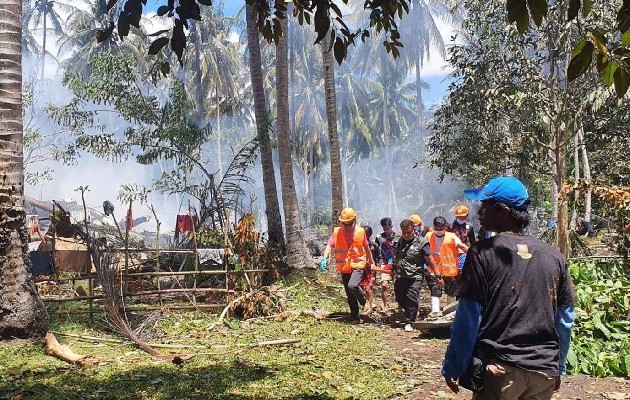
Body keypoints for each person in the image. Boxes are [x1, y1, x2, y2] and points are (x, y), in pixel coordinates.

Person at [441, 176, 576, 400]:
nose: (480, 212)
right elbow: (565, 319)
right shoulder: (554, 257)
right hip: (543, 372)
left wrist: (455, 364)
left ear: (503, 212)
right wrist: (558, 366)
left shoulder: (483, 252)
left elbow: (468, 318)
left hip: (500, 370)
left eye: (485, 206)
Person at [321, 207, 375, 323]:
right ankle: (355, 317)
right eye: (344, 224)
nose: (347, 226)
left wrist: (371, 262)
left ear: (354, 221)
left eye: (349, 224)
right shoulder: (337, 232)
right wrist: (324, 258)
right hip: (345, 267)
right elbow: (329, 245)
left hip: (358, 264)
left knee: (352, 285)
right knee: (350, 294)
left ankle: (364, 302)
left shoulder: (361, 232)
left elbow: (366, 248)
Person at [393, 219, 439, 332]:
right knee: (399, 297)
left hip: (415, 276)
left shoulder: (421, 242)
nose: (407, 235)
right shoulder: (398, 240)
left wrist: (438, 274)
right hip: (401, 275)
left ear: (414, 229)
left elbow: (430, 259)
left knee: (411, 297)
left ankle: (410, 321)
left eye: (409, 232)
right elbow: (395, 255)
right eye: (404, 233)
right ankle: (411, 312)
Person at [425, 216, 469, 316]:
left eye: (441, 228)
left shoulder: (452, 237)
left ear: (445, 227)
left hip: (450, 271)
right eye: (437, 228)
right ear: (434, 227)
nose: (439, 231)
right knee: (435, 291)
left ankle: (451, 312)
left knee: (451, 293)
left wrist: (474, 256)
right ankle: (435, 312)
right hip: (433, 270)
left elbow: (464, 247)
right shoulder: (428, 236)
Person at [374, 217, 398, 310]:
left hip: (396, 264)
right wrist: (377, 262)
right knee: (384, 284)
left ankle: (400, 306)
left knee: (399, 286)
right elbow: (375, 251)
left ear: (391, 226)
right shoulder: (379, 238)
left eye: (388, 228)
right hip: (384, 264)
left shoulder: (398, 237)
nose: (386, 231)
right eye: (384, 229)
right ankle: (385, 305)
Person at [451, 205, 476, 273]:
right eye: (459, 217)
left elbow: (472, 241)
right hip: (451, 252)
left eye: (462, 217)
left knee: (462, 271)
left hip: (463, 252)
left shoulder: (469, 226)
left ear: (467, 215)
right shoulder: (450, 225)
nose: (461, 218)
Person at [359, 226, 379, 310]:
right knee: (360, 288)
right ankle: (366, 303)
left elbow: (378, 257)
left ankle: (371, 304)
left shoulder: (373, 245)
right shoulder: (357, 243)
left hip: (370, 269)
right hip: (359, 268)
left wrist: (375, 270)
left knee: (368, 288)